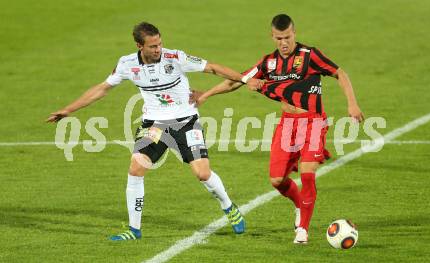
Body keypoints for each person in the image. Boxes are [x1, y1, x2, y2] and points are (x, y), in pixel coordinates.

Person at [46, 22, 264, 241]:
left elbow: (213, 68)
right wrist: (68, 109)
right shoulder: (127, 64)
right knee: (135, 168)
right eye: (152, 46)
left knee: (202, 174)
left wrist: (245, 79)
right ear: (139, 45)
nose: (158, 49)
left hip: (186, 122)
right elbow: (102, 89)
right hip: (154, 125)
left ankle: (229, 207)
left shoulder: (175, 58)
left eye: (159, 44)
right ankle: (133, 229)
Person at [195, 14, 364, 244]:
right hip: (287, 124)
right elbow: (237, 80)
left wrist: (352, 103)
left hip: (313, 121)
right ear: (272, 37)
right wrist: (205, 96)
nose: (283, 43)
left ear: (294, 33)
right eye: (278, 38)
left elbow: (339, 73)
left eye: (287, 37)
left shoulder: (309, 55)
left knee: (307, 174)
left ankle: (302, 230)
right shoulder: (269, 63)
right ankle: (299, 205)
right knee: (276, 180)